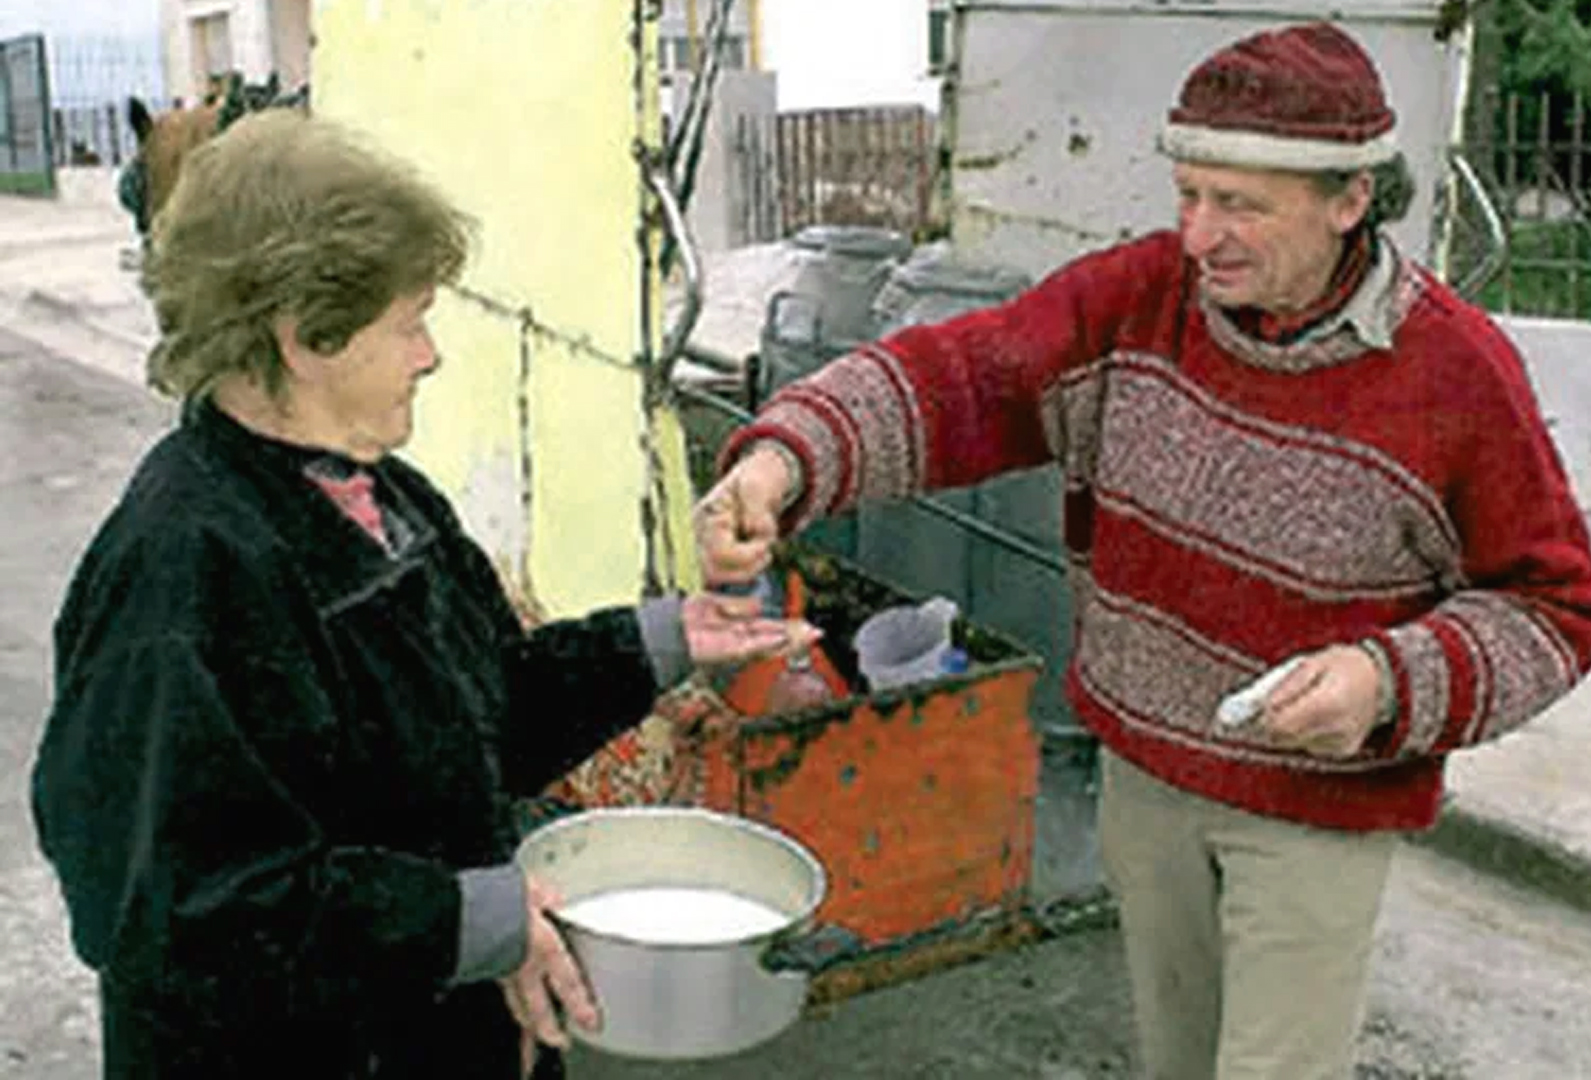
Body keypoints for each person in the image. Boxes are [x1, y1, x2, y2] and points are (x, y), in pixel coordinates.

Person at [694, 21, 1591, 1080]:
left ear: (1351, 200)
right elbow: (960, 380)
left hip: (1312, 816)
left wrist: (1387, 679)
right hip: (1147, 778)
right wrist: (787, 460)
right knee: (1176, 1060)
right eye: (1189, 195)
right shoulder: (1138, 299)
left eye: (1241, 205)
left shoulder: (1452, 376)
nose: (1199, 236)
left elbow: (1552, 605)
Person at [32, 109, 815, 1080]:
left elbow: (484, 712)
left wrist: (656, 643)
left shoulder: (379, 496)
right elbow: (185, 912)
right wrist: (466, 921)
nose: (429, 354)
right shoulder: (183, 576)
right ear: (306, 334)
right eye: (408, 322)